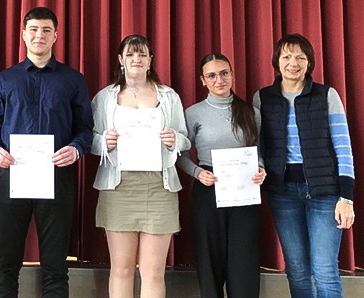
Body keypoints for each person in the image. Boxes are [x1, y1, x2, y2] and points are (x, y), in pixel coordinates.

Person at [0, 7, 94, 298]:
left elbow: (85, 128)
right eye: (33, 29)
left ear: (55, 35)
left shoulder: (73, 79)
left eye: (46, 30)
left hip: (56, 179)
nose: (39, 35)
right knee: (6, 264)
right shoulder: (6, 79)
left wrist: (76, 148)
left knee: (56, 266)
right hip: (11, 178)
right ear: (23, 34)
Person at [254, 33, 355, 298]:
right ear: (277, 61)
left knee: (324, 270)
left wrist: (347, 197)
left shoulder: (326, 95)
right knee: (297, 270)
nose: (293, 63)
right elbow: (257, 146)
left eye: (300, 57)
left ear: (309, 62)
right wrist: (260, 165)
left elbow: (343, 147)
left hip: (325, 193)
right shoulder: (262, 98)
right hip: (283, 193)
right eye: (287, 56)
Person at [90, 34, 190, 298]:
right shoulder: (105, 97)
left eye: (142, 54)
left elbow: (185, 139)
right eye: (131, 54)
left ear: (150, 60)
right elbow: (89, 139)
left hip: (160, 186)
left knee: (154, 271)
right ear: (121, 60)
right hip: (118, 186)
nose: (137, 59)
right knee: (121, 269)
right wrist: (104, 142)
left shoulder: (168, 96)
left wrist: (174, 140)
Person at [176, 53, 266, 298]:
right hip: (208, 189)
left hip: (244, 193)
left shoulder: (250, 112)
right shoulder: (193, 113)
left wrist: (260, 168)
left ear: (232, 75)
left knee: (244, 264)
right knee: (209, 263)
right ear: (202, 80)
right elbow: (179, 156)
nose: (219, 79)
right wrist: (197, 173)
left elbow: (258, 151)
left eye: (224, 73)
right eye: (212, 75)